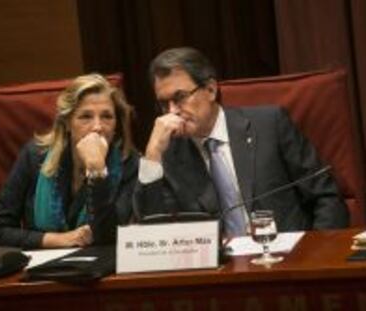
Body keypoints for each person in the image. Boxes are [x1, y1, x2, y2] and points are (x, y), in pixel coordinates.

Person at [133, 47, 349, 236]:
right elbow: (152, 230)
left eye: (180, 97)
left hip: (287, 265)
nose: (172, 111)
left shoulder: (269, 126)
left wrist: (313, 260)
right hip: (219, 275)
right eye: (164, 103)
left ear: (210, 89)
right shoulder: (170, 154)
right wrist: (152, 156)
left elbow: (326, 197)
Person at [0, 74, 138, 249]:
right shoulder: (35, 155)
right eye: (85, 117)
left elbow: (111, 238)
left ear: (117, 124)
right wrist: (60, 240)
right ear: (66, 122)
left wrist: (97, 171)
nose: (97, 127)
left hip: (99, 271)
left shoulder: (129, 163)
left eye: (107, 117)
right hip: (41, 270)